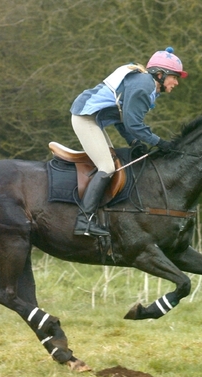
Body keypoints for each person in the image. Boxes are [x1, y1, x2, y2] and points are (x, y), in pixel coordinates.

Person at [69, 47, 188, 236]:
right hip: (85, 117)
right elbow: (133, 124)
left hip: (92, 118)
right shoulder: (143, 86)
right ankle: (84, 221)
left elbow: (122, 118)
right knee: (107, 167)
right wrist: (160, 142)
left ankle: (98, 214)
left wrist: (134, 142)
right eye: (174, 77)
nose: (176, 82)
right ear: (160, 74)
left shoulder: (145, 84)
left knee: (113, 163)